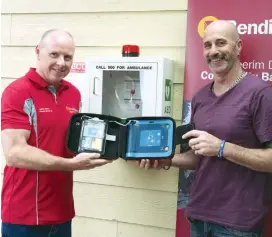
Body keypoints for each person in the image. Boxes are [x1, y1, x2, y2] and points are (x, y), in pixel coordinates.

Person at [134, 20, 272, 237]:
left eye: (221, 43)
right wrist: (165, 159)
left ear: (238, 46)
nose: (214, 51)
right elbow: (198, 157)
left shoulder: (260, 93)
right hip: (199, 216)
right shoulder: (199, 98)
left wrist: (221, 147)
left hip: (237, 223)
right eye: (208, 45)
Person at [1, 29, 113, 237]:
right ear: (38, 52)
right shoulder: (18, 92)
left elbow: (71, 145)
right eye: (54, 54)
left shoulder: (73, 94)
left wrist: (117, 148)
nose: (62, 62)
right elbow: (15, 153)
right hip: (25, 216)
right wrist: (71, 165)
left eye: (68, 57)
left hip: (62, 213)